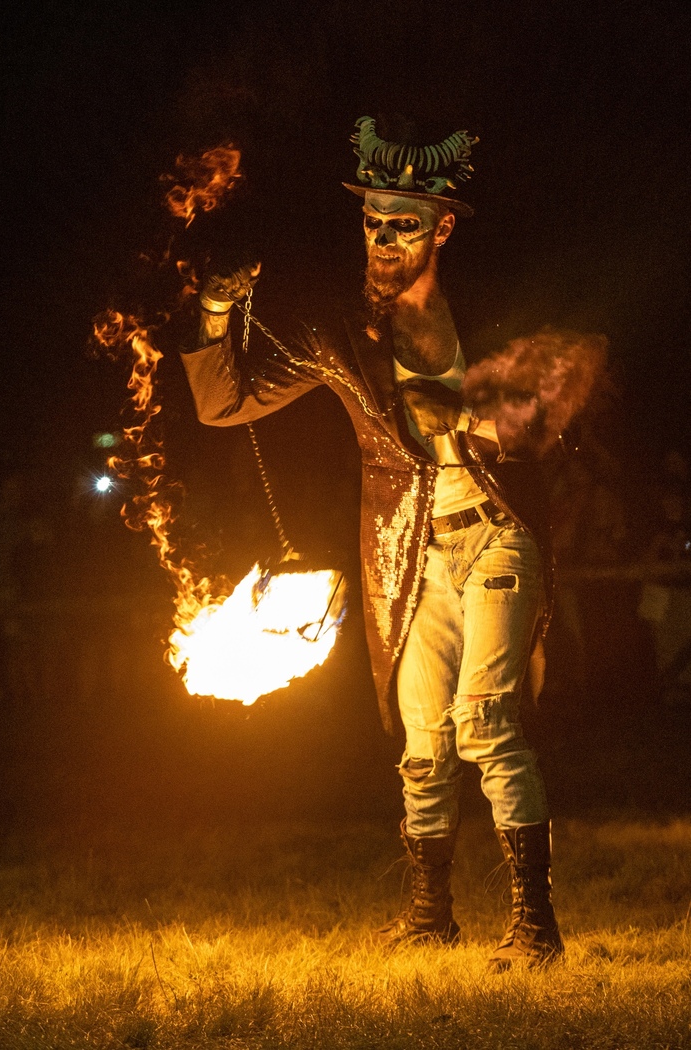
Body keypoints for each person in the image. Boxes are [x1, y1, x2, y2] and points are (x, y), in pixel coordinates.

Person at [180, 114, 564, 969]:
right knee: (423, 742)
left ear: (443, 228)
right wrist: (213, 311)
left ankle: (536, 928)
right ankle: (432, 917)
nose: (384, 238)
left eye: (404, 224)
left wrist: (468, 419)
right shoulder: (342, 332)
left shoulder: (495, 316)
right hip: (408, 550)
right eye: (372, 222)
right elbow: (221, 405)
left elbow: (556, 413)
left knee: (486, 722)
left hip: (498, 534)